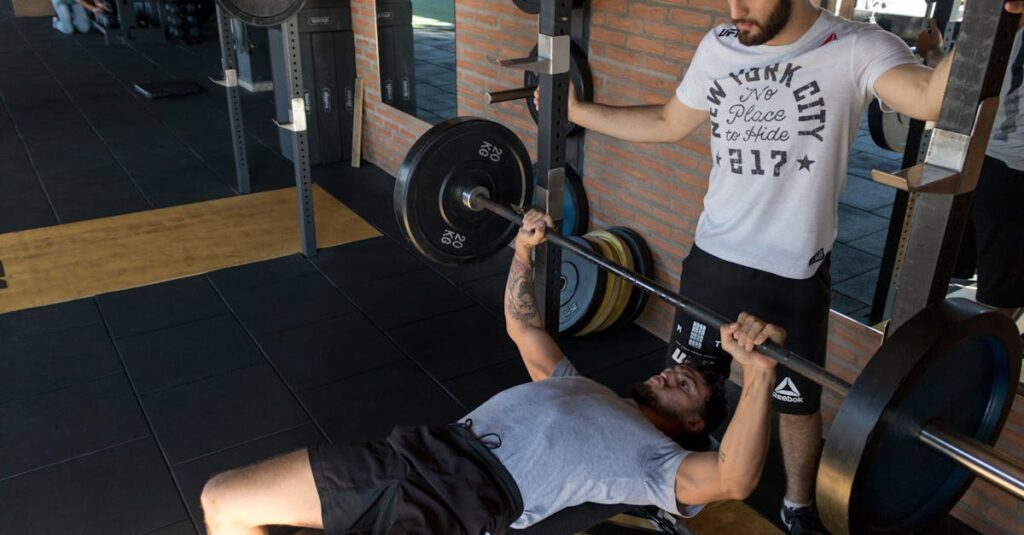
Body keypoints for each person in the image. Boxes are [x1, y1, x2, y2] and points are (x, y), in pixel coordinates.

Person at [536, 0, 1024, 532]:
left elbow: (932, 99)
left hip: (792, 277)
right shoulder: (719, 44)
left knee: (797, 403)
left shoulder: (856, 47)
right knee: (683, 387)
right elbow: (667, 121)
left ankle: (798, 507)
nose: (736, 8)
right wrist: (578, 113)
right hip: (712, 263)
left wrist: (995, 16)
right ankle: (669, 488)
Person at [199, 210, 787, 535]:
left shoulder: (658, 464)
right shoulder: (576, 382)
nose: (668, 375)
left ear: (690, 427)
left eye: (686, 387)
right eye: (673, 371)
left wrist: (756, 376)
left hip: (455, 508)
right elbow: (523, 329)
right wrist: (525, 251)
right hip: (413, 452)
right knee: (224, 500)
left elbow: (734, 479)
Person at [918, 18, 1024, 321]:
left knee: (998, 291)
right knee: (996, 290)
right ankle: (975, 352)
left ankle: (980, 353)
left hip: (995, 165)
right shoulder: (995, 27)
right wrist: (935, 53)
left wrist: (934, 53)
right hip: (993, 165)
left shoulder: (998, 28)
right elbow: (950, 91)